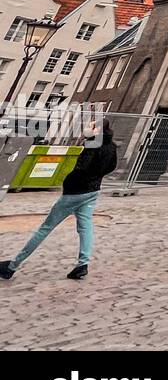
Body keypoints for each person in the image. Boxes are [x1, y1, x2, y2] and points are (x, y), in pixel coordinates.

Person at [1, 120, 118, 280]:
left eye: (91, 126)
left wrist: (69, 180)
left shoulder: (92, 145)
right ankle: (82, 264)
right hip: (93, 191)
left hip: (75, 192)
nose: (87, 128)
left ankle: (12, 266)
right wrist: (97, 175)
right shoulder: (111, 146)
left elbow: (81, 168)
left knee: (45, 227)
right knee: (85, 227)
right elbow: (112, 166)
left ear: (98, 129)